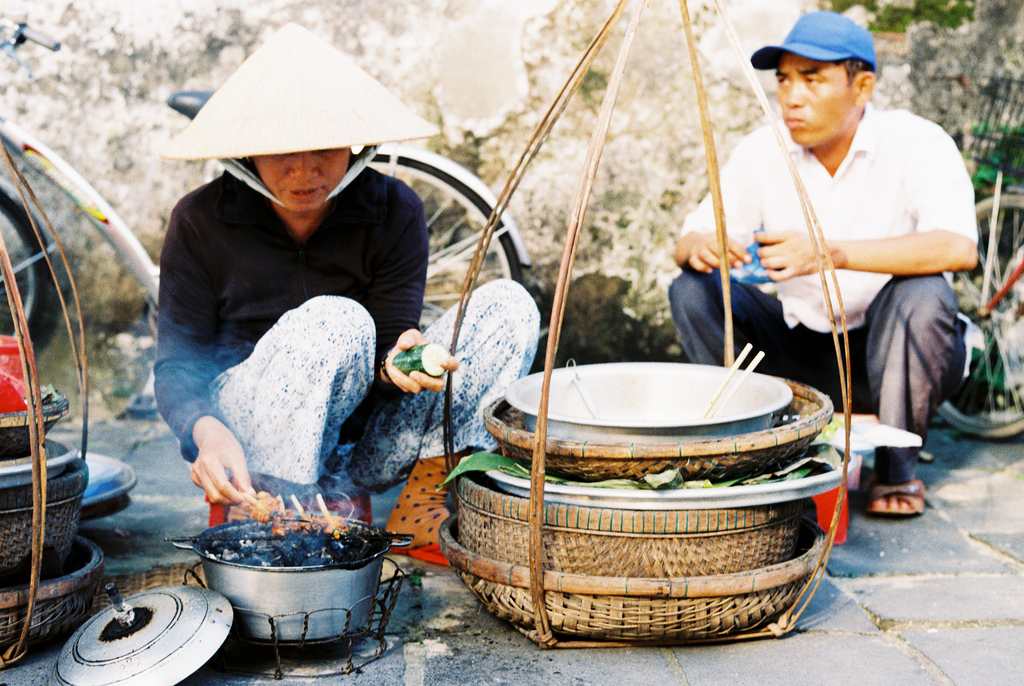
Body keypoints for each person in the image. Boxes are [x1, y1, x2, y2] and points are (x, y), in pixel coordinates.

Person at [156, 24, 539, 563]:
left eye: (325, 149)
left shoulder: (395, 209)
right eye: (282, 152)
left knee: (509, 306)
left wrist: (402, 357)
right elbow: (177, 366)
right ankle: (273, 508)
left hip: (363, 442)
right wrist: (208, 433)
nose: (306, 171)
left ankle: (424, 505)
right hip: (251, 433)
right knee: (335, 319)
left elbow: (387, 337)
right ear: (246, 152)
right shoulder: (199, 219)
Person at [668, 11, 978, 517]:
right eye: (784, 80)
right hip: (802, 355)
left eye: (812, 79)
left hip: (893, 358)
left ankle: (896, 471)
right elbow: (689, 237)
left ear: (862, 89)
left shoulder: (917, 143)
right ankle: (742, 452)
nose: (791, 97)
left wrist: (829, 253)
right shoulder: (763, 149)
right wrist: (701, 245)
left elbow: (958, 247)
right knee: (692, 289)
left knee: (925, 292)